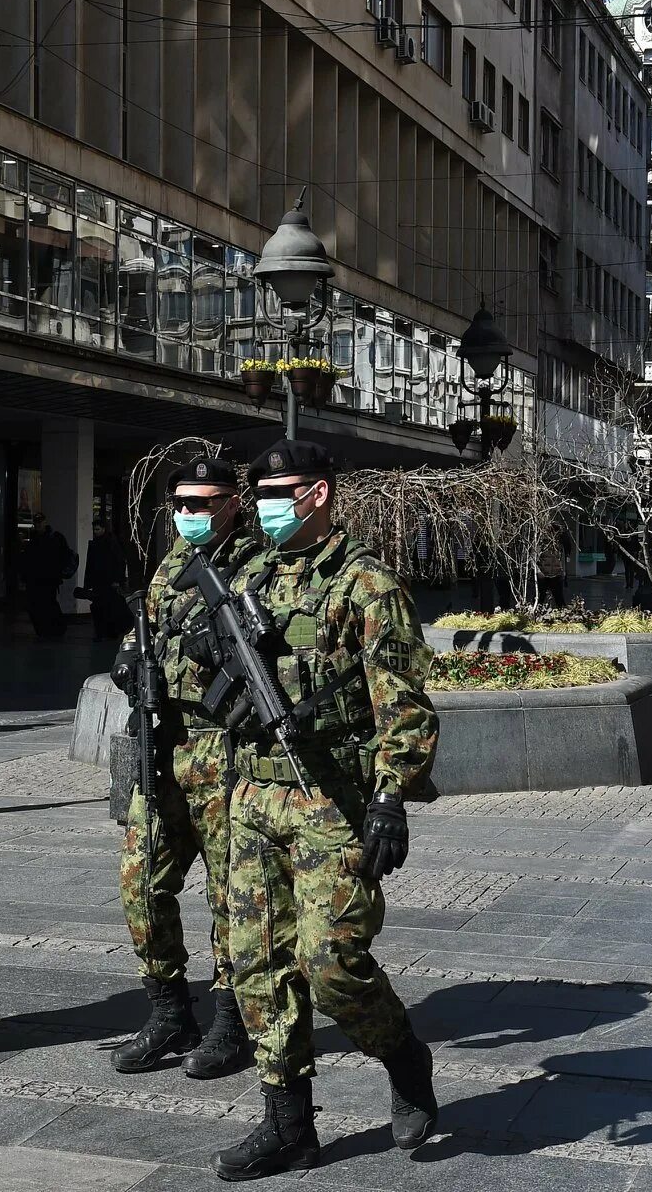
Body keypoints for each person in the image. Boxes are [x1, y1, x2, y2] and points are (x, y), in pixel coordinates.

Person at [213, 439, 440, 1180]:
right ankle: (288, 1124)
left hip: (330, 801)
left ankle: (402, 1055)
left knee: (331, 963)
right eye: (259, 492)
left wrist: (390, 799)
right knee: (257, 964)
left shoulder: (366, 584)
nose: (264, 505)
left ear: (317, 495)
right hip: (252, 796)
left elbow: (402, 705)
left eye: (278, 491)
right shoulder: (246, 574)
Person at [108, 457, 259, 1081]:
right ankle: (169, 1009)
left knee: (231, 893)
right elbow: (145, 629)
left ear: (233, 503)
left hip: (225, 752)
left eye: (203, 503)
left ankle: (231, 1021)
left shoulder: (257, 564)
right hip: (162, 746)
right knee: (140, 882)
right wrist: (127, 658)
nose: (189, 514)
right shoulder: (173, 563)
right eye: (181, 503)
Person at [22, 512, 76, 638]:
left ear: (44, 522)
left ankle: (53, 629)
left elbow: (64, 556)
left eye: (40, 522)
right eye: (36, 522)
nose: (38, 525)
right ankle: (46, 630)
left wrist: (57, 571)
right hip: (36, 579)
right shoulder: (34, 540)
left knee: (48, 604)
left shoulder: (54, 538)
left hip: (49, 578)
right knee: (37, 604)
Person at [80, 518, 130, 639]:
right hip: (100, 582)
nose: (95, 532)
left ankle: (109, 632)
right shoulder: (96, 544)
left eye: (97, 529)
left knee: (108, 608)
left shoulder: (111, 543)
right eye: (94, 529)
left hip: (108, 582)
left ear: (103, 529)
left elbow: (118, 562)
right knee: (99, 608)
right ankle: (102, 633)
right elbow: (90, 565)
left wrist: (117, 580)